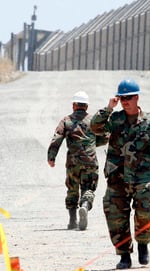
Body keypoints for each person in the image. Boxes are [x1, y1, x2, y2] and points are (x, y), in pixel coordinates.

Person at [90, 78, 150, 269]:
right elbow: (94, 127)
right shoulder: (115, 120)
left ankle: (143, 243)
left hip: (142, 178)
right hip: (117, 177)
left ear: (137, 97)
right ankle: (124, 255)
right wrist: (108, 108)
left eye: (129, 97)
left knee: (146, 212)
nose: (125, 101)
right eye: (122, 98)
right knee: (116, 216)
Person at [47, 91, 109, 231]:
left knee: (72, 189)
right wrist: (91, 143)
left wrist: (51, 156)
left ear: (74, 105)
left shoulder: (66, 121)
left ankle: (72, 220)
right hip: (90, 161)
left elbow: (57, 138)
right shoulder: (93, 121)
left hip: (73, 162)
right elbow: (105, 137)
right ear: (86, 106)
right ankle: (85, 206)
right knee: (89, 187)